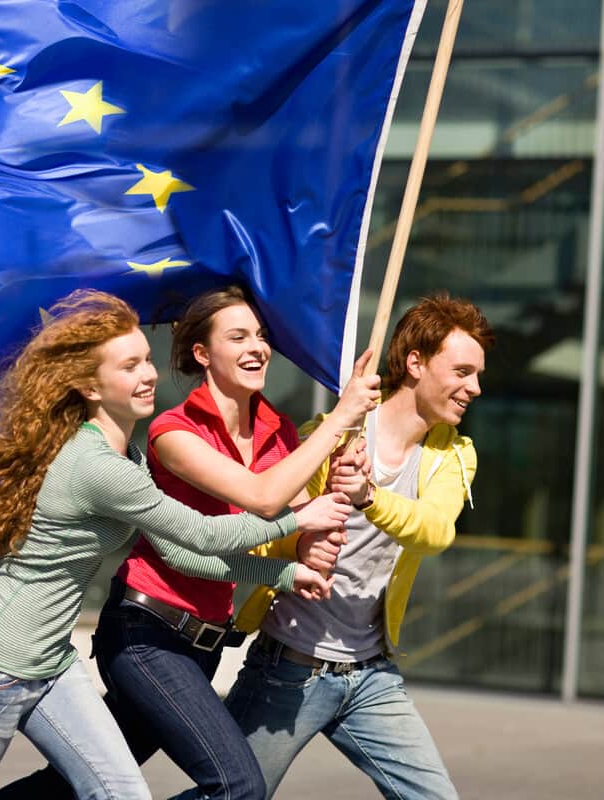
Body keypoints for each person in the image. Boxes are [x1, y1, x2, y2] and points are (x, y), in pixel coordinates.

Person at [0, 289, 351, 800]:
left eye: (147, 361)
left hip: (51, 665)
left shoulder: (128, 456)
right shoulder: (98, 466)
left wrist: (282, 574)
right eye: (129, 366)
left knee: (122, 793)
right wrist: (297, 518)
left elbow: (181, 553)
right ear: (90, 385)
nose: (149, 375)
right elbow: (203, 532)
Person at [225, 292, 494, 800]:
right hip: (291, 667)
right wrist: (303, 531)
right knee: (231, 795)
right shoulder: (332, 436)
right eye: (462, 371)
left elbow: (436, 531)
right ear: (416, 362)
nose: (474, 387)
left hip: (372, 675)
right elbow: (263, 535)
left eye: (477, 375)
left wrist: (369, 497)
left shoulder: (456, 455)